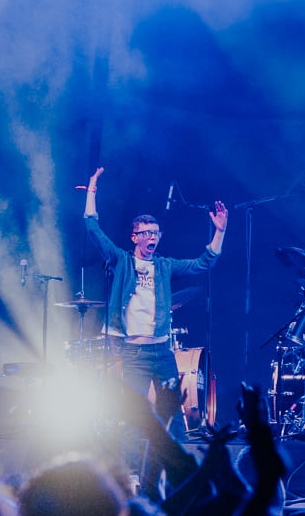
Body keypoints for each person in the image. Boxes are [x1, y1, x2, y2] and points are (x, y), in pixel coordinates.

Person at [82, 169, 226, 431]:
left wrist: (220, 232)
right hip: (134, 352)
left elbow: (203, 263)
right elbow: (93, 228)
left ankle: (180, 470)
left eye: (156, 233)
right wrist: (92, 190)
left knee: (173, 417)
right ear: (134, 237)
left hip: (162, 351)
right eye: (146, 233)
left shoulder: (164, 266)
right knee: (135, 418)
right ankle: (134, 471)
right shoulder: (121, 261)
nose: (152, 237)